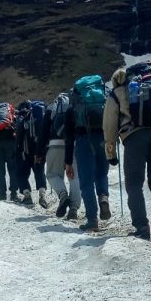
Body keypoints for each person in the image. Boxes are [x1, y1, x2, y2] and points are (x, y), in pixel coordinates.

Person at [103, 65, 151, 240]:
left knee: (134, 184)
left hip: (134, 137)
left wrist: (111, 154)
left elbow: (109, 125)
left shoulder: (117, 93)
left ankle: (142, 227)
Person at [64, 76, 111, 232]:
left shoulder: (74, 106)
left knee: (86, 181)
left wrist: (68, 161)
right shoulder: (103, 98)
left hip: (83, 140)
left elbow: (69, 136)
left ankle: (92, 220)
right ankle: (103, 197)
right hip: (103, 138)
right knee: (101, 174)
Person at [36, 92, 81, 220]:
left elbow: (44, 131)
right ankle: (73, 209)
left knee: (52, 174)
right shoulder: (75, 105)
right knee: (75, 178)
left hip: (55, 144)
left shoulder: (52, 107)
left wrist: (39, 152)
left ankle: (63, 195)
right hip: (73, 145)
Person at [15, 100, 49, 207]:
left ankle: (27, 195)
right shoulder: (39, 117)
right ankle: (42, 195)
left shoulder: (22, 118)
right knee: (39, 171)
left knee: (21, 174)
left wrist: (17, 150)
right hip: (40, 150)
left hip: (26, 152)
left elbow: (19, 137)